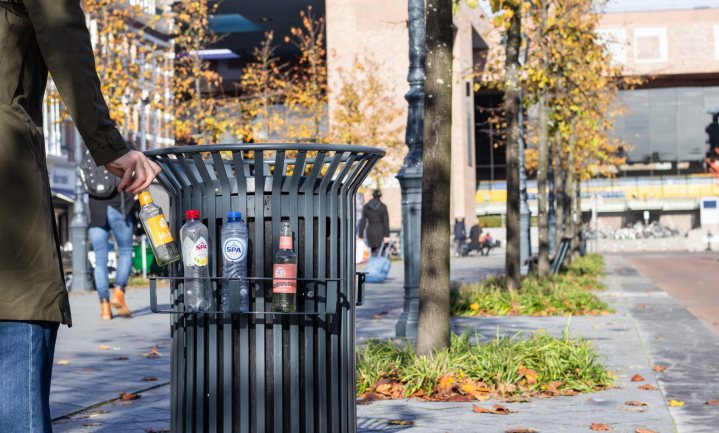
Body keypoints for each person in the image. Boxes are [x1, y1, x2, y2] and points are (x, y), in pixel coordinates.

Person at [0, 1, 161, 431]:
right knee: (18, 302)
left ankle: (113, 297)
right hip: (6, 168)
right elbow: (64, 41)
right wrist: (110, 146)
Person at [88, 191, 136, 320]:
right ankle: (118, 293)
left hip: (95, 211)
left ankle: (105, 308)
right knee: (125, 251)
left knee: (100, 260)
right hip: (119, 206)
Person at [359, 190, 390, 255]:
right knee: (382, 250)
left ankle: (374, 263)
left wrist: (360, 234)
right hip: (380, 230)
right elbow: (386, 222)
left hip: (370, 230)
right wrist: (387, 235)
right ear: (380, 196)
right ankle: (380, 264)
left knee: (373, 250)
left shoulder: (366, 206)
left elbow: (363, 220)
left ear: (373, 195)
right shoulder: (383, 207)